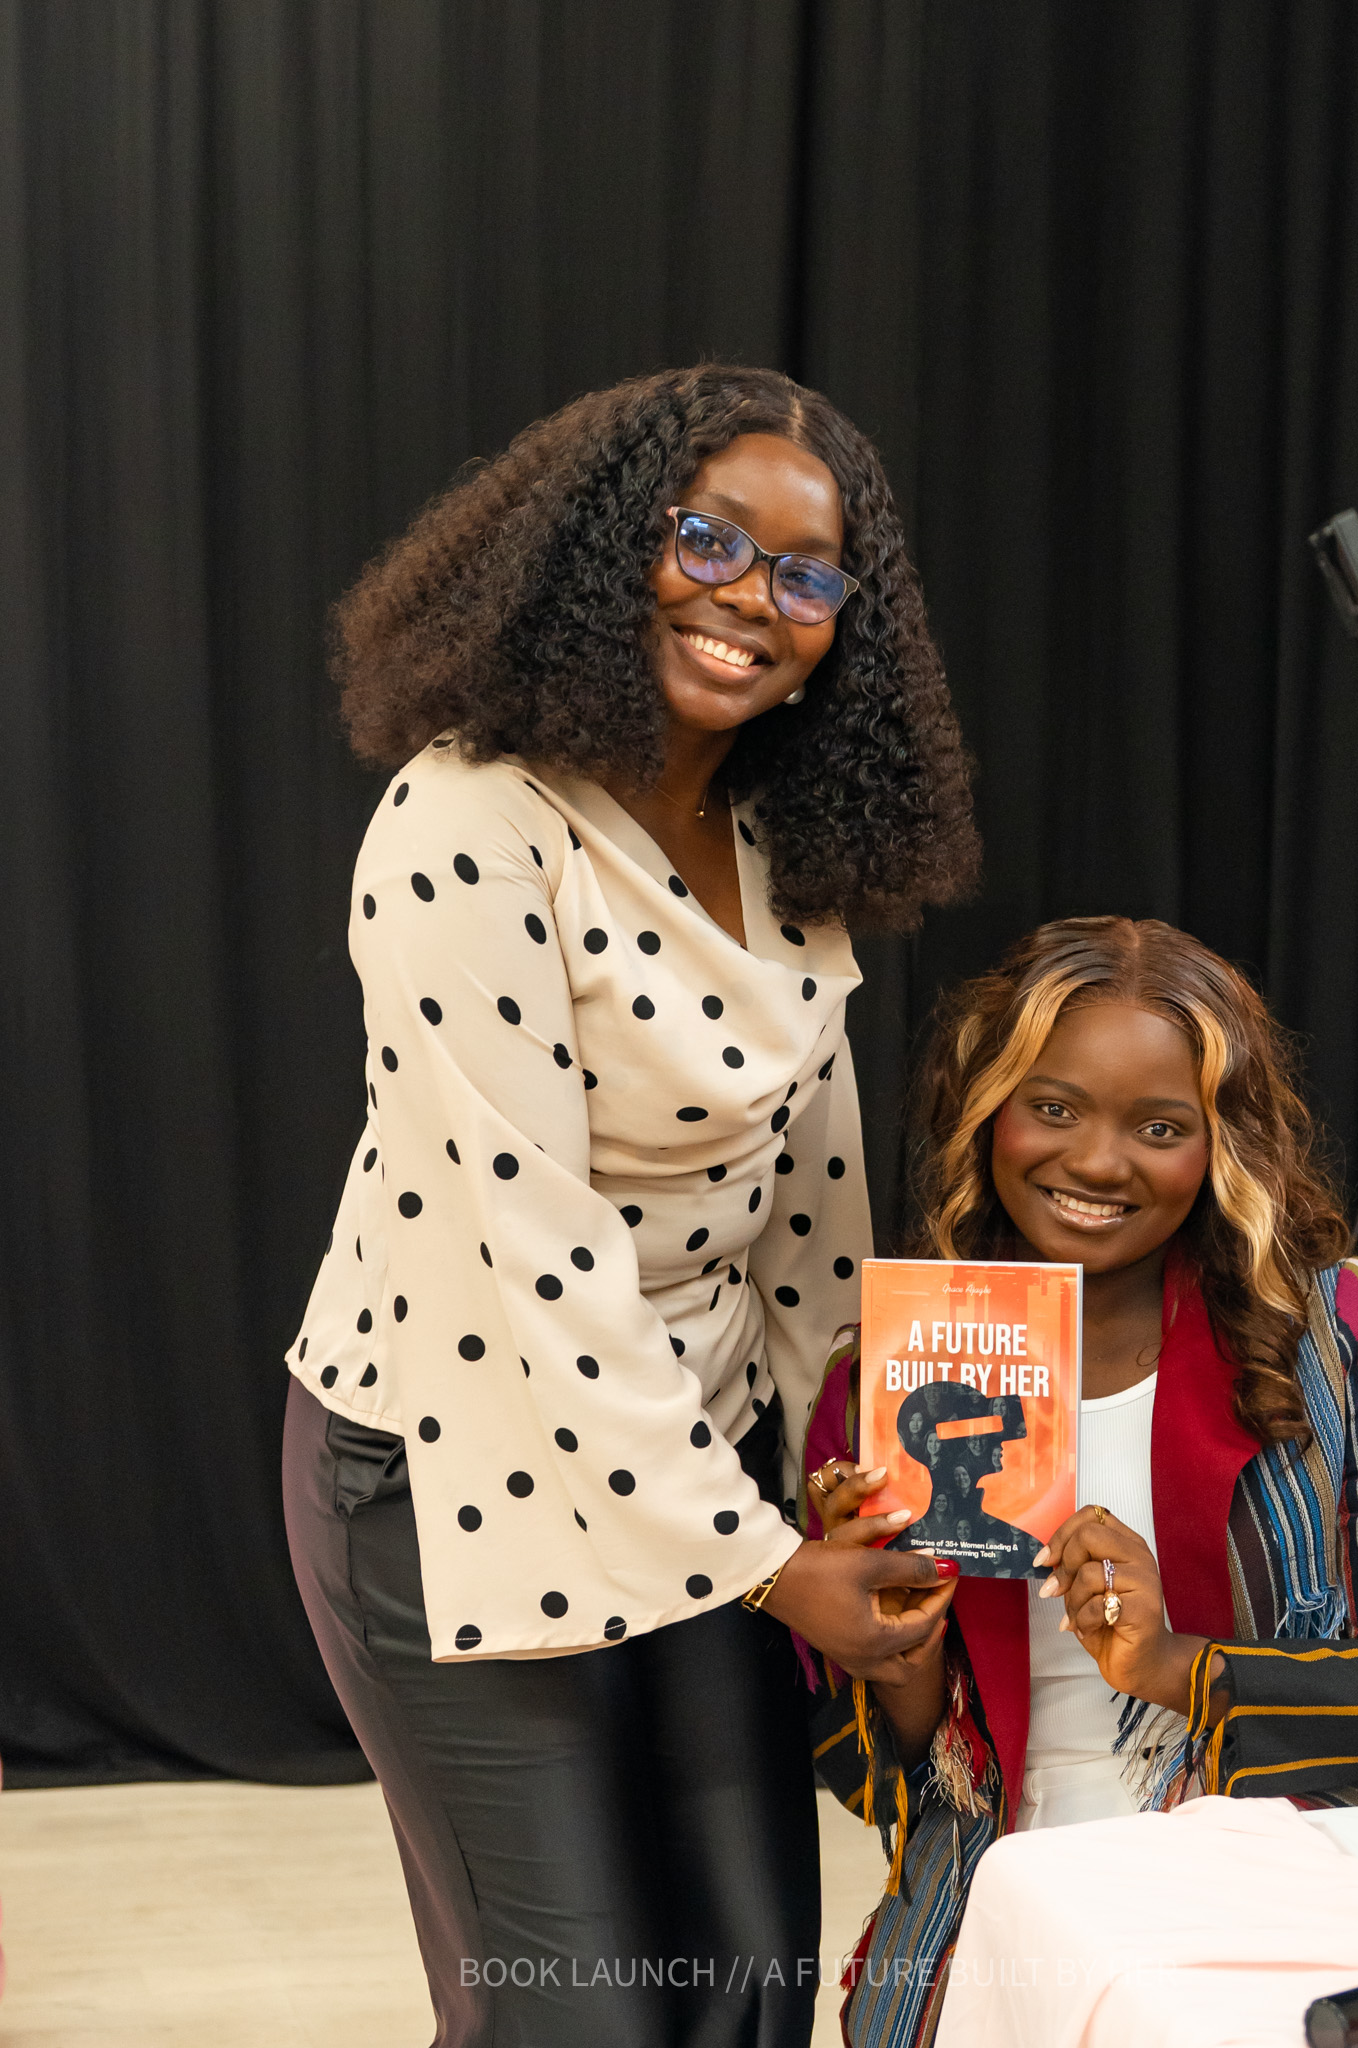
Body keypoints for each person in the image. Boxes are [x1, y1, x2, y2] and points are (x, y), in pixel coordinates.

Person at [281, 364, 977, 2048]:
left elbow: (806, 1212)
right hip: (449, 1459)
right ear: (608, 548)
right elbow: (542, 1261)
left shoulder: (775, 829)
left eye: (806, 577)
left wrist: (853, 1474)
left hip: (700, 1443)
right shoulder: (467, 820)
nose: (753, 602)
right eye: (709, 541)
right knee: (573, 2013)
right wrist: (769, 1567)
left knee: (741, 1984)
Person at [801, 915, 1358, 2046]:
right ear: (988, 1107)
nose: (1098, 1161)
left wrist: (1173, 1665)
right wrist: (891, 1645)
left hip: (1292, 1849)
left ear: (1219, 1145)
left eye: (1158, 1126)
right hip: (1015, 1874)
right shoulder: (889, 1376)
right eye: (1053, 1105)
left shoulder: (1328, 1336)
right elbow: (880, 1776)